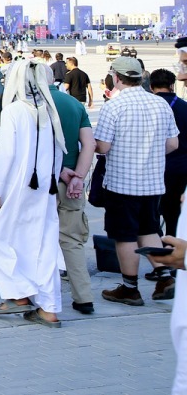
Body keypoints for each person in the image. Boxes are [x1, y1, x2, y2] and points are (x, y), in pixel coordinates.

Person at [0, 61, 64, 327]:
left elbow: (5, 153)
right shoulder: (50, 109)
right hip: (45, 189)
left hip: (17, 187)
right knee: (42, 245)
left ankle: (18, 294)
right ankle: (49, 307)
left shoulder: (15, 111)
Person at [95, 55, 179, 306]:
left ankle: (130, 288)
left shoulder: (114, 106)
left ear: (116, 78)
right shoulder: (160, 104)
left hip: (122, 182)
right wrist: (150, 151)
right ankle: (164, 276)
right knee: (150, 228)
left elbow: (104, 145)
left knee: (125, 235)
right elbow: (173, 143)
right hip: (153, 182)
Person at [47, 65, 97, 315]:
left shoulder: (31, 104)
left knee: (38, 238)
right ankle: (83, 297)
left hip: (44, 181)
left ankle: (44, 298)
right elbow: (89, 144)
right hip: (71, 181)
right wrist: (80, 176)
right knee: (73, 241)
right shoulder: (73, 104)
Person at [154, 69, 187, 238]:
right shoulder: (183, 106)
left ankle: (154, 238)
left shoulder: (150, 106)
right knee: (174, 209)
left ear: (152, 87)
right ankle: (172, 238)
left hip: (153, 166)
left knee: (151, 207)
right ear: (172, 85)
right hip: (180, 165)